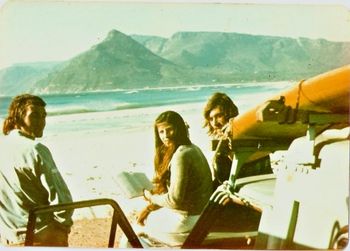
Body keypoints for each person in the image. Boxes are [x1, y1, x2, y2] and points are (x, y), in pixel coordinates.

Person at [0, 94, 73, 246]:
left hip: (10, 237)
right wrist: (63, 226)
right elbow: (62, 199)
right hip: (41, 234)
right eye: (34, 116)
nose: (41, 122)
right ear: (18, 118)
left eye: (43, 116)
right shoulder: (35, 149)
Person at [131, 110, 213, 246]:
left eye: (169, 130)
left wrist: (150, 197)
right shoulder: (192, 148)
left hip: (187, 220)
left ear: (179, 129)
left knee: (136, 229)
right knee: (145, 218)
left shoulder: (181, 155)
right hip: (199, 216)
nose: (165, 136)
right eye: (161, 132)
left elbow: (174, 200)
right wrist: (148, 208)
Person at [203, 92, 239, 189]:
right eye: (211, 119)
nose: (214, 123)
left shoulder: (241, 135)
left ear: (230, 114)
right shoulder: (222, 140)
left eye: (219, 116)